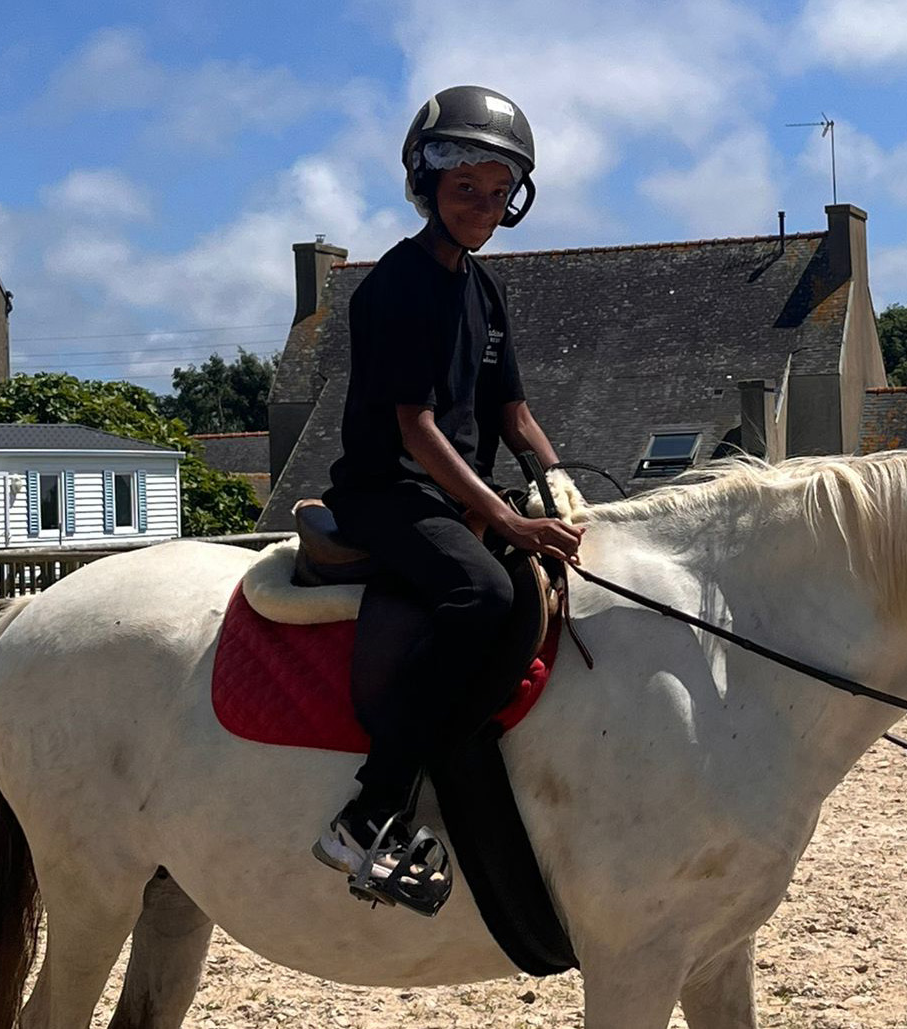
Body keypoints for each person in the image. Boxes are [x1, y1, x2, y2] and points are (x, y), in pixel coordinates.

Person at [311, 85, 584, 913]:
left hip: (455, 491)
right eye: (466, 189)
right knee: (482, 592)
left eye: (499, 193)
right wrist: (505, 518)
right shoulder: (395, 285)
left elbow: (514, 412)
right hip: (388, 490)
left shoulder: (484, 289)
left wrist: (555, 479)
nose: (483, 207)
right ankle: (370, 810)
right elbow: (416, 427)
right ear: (426, 185)